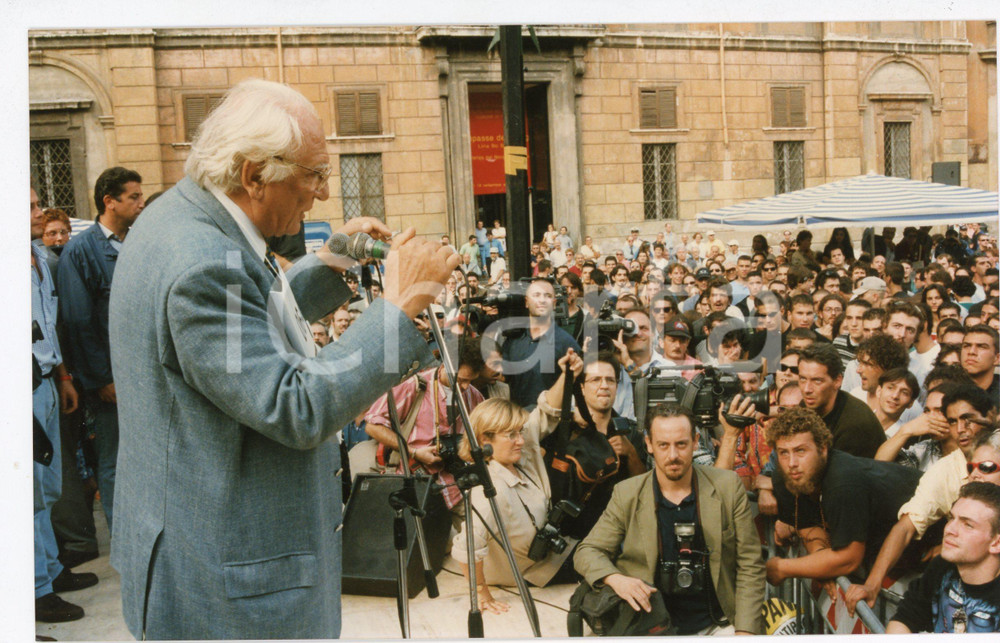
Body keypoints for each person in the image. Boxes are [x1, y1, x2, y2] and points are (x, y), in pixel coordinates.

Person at [107, 80, 459, 639]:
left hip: (198, 545)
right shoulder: (200, 261)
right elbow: (294, 405)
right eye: (314, 174)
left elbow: (244, 323)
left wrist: (331, 262)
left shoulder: (184, 217)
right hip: (229, 583)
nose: (322, 193)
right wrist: (395, 311)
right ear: (253, 175)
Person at [573, 403, 766, 635]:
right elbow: (588, 550)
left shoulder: (728, 486)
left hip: (718, 623)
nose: (672, 455)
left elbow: (750, 564)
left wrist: (745, 632)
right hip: (649, 626)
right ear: (649, 445)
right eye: (663, 445)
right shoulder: (627, 492)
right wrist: (616, 579)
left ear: (695, 442)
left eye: (681, 444)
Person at [451, 351, 585, 613]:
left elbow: (545, 413)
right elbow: (466, 546)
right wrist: (481, 593)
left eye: (519, 432)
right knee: (603, 557)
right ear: (484, 441)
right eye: (511, 435)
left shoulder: (514, 455)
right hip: (531, 570)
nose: (521, 441)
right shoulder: (490, 489)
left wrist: (568, 375)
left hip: (545, 555)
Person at [844, 386, 996, 613]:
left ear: (990, 417)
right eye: (953, 422)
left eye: (968, 420)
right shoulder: (945, 470)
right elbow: (905, 527)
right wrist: (872, 585)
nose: (961, 430)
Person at [57, 166, 145, 532]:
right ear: (110, 202)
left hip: (143, 375)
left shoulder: (138, 242)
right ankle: (125, 539)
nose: (142, 204)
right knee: (114, 461)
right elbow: (78, 322)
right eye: (134, 197)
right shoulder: (80, 252)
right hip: (111, 383)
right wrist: (102, 379)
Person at [765, 407, 924, 587]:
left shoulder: (843, 481)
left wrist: (782, 567)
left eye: (800, 451)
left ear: (823, 449)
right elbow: (807, 526)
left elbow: (849, 558)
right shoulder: (785, 475)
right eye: (784, 452)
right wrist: (822, 564)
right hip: (887, 547)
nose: (792, 463)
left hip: (931, 535)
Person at [32, 187, 90, 623]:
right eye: (31, 207)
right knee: (26, 492)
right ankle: (34, 591)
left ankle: (50, 571)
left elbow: (48, 327)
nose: (39, 213)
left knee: (49, 486)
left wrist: (64, 376)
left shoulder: (38, 261)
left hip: (48, 382)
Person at [886, 482, 1000, 633]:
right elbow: (905, 618)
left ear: (996, 543)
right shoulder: (942, 565)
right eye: (952, 518)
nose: (950, 529)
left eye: (968, 525)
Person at [500, 278, 581, 409]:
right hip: (516, 423)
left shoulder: (566, 344)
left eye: (547, 296)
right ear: (526, 302)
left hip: (551, 422)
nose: (542, 300)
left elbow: (576, 389)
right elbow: (504, 380)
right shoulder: (513, 341)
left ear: (554, 303)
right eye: (536, 295)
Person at [797, 343, 886, 458]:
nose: (806, 389)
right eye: (802, 379)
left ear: (837, 381)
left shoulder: (855, 424)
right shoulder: (807, 405)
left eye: (817, 381)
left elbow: (839, 473)